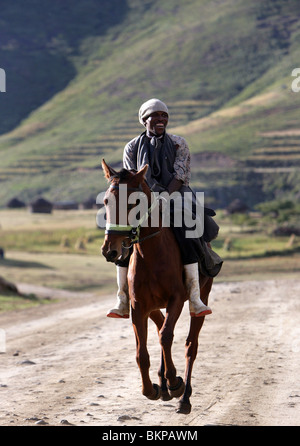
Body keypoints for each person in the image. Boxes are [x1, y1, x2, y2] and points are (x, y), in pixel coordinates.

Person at [107, 98, 216, 319]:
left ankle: (195, 294)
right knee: (123, 231)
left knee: (189, 226)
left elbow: (181, 174)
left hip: (176, 193)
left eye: (164, 116)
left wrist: (165, 196)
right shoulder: (132, 147)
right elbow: (130, 178)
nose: (160, 119)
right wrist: (145, 201)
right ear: (144, 120)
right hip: (142, 198)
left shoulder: (179, 143)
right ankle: (122, 297)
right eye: (155, 116)